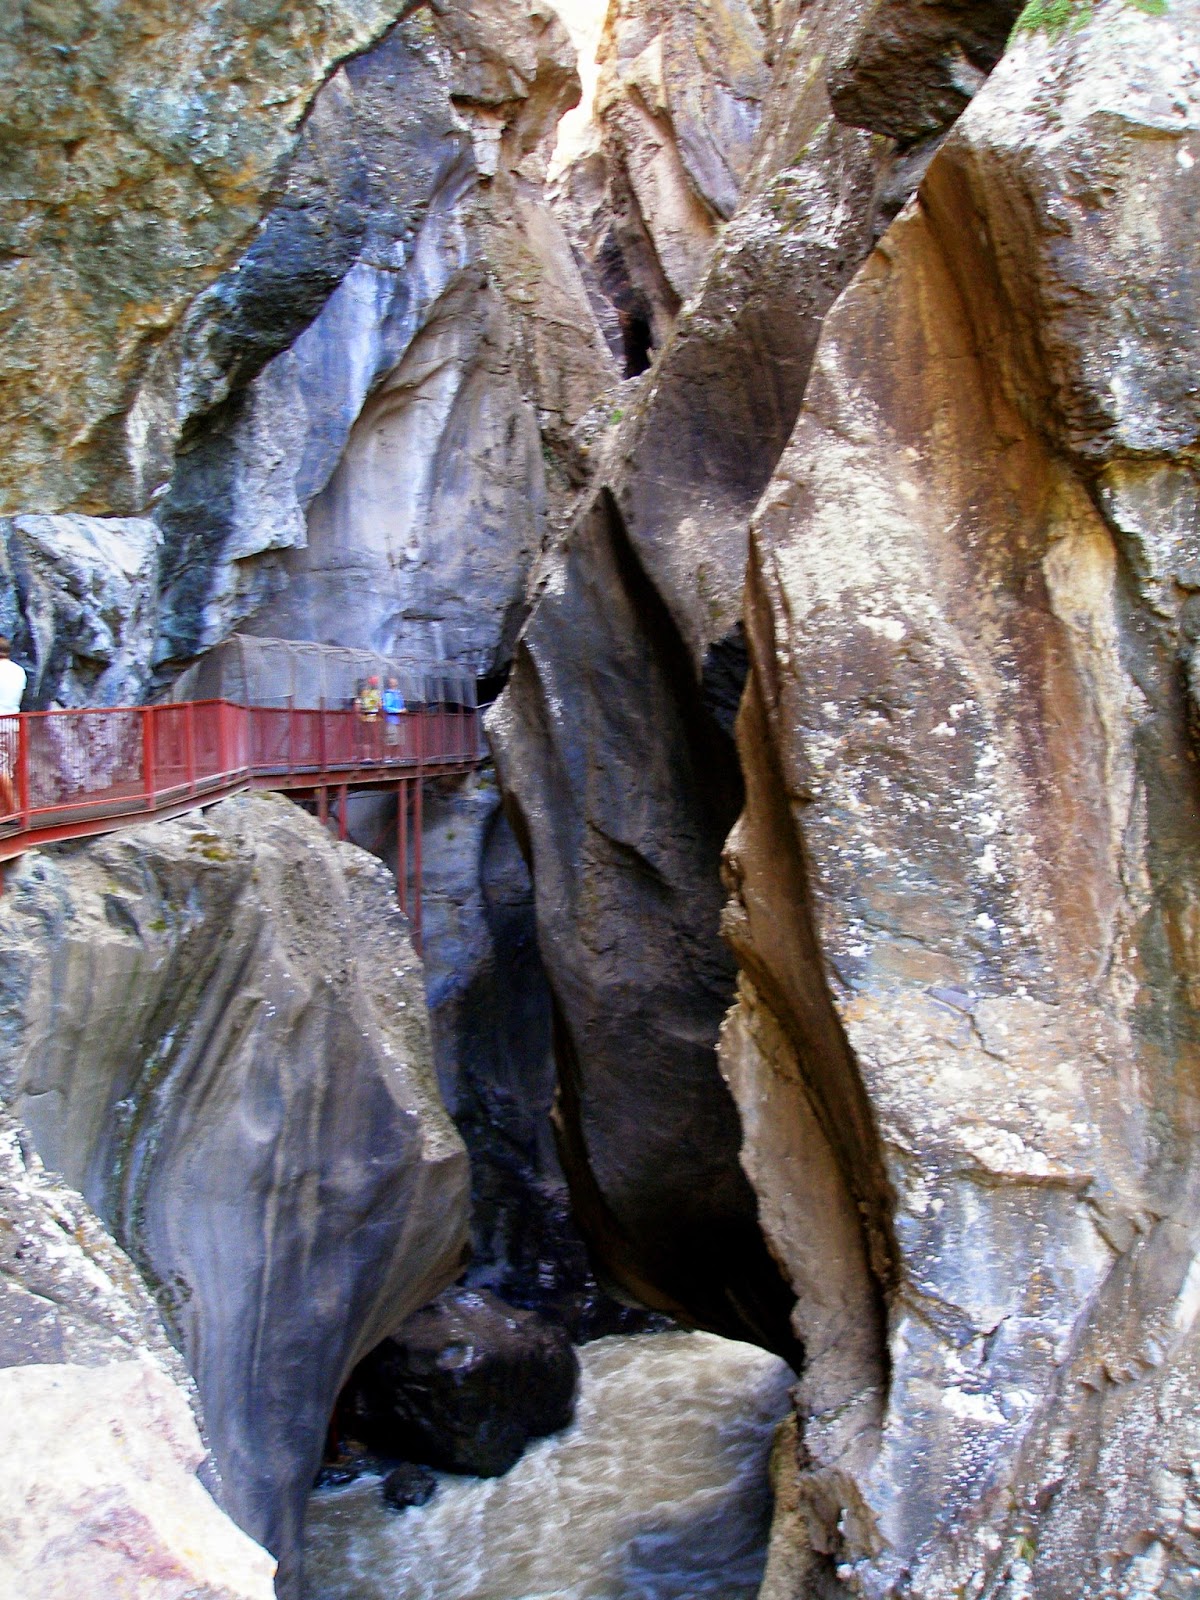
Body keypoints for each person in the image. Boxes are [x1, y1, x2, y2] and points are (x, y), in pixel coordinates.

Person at [0, 636, 27, 817]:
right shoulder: (20, 672)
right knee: (7, 769)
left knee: (1, 770)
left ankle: (12, 813)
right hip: (14, 724)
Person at [382, 675, 405, 749]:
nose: (395, 684)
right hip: (391, 720)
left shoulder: (398, 694)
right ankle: (389, 758)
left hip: (400, 720)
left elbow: (401, 705)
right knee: (391, 740)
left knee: (399, 740)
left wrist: (403, 710)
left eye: (395, 682)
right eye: (392, 682)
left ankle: (397, 758)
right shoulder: (388, 694)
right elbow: (386, 707)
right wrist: (399, 711)